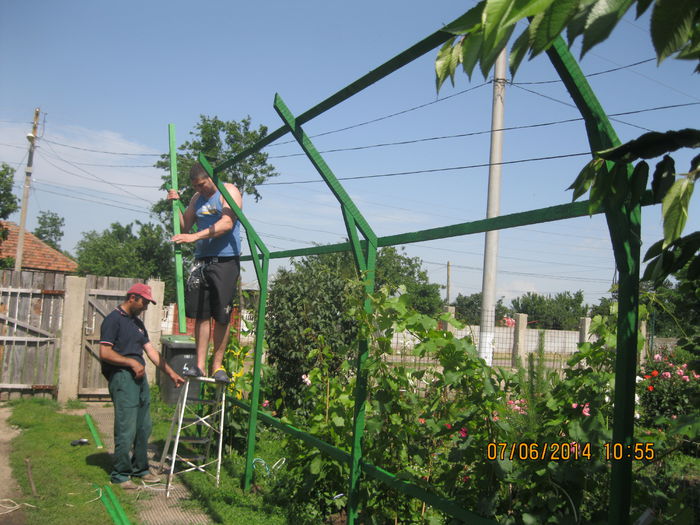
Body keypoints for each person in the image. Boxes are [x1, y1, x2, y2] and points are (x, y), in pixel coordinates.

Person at [99, 283, 185, 490]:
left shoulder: (137, 324)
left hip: (139, 379)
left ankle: (141, 469)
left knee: (144, 426)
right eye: (144, 302)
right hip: (122, 377)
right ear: (132, 298)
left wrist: (172, 374)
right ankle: (120, 474)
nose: (146, 306)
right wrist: (131, 362)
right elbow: (105, 353)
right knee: (126, 427)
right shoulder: (113, 320)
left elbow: (151, 352)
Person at [167, 162, 243, 383]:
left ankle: (216, 366)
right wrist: (176, 205)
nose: (200, 190)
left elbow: (227, 223)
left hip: (225, 260)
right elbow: (184, 227)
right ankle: (199, 365)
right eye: (195, 187)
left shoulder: (228, 192)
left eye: (202, 185)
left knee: (221, 315)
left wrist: (194, 237)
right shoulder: (196, 199)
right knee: (201, 315)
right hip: (202, 261)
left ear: (211, 177)